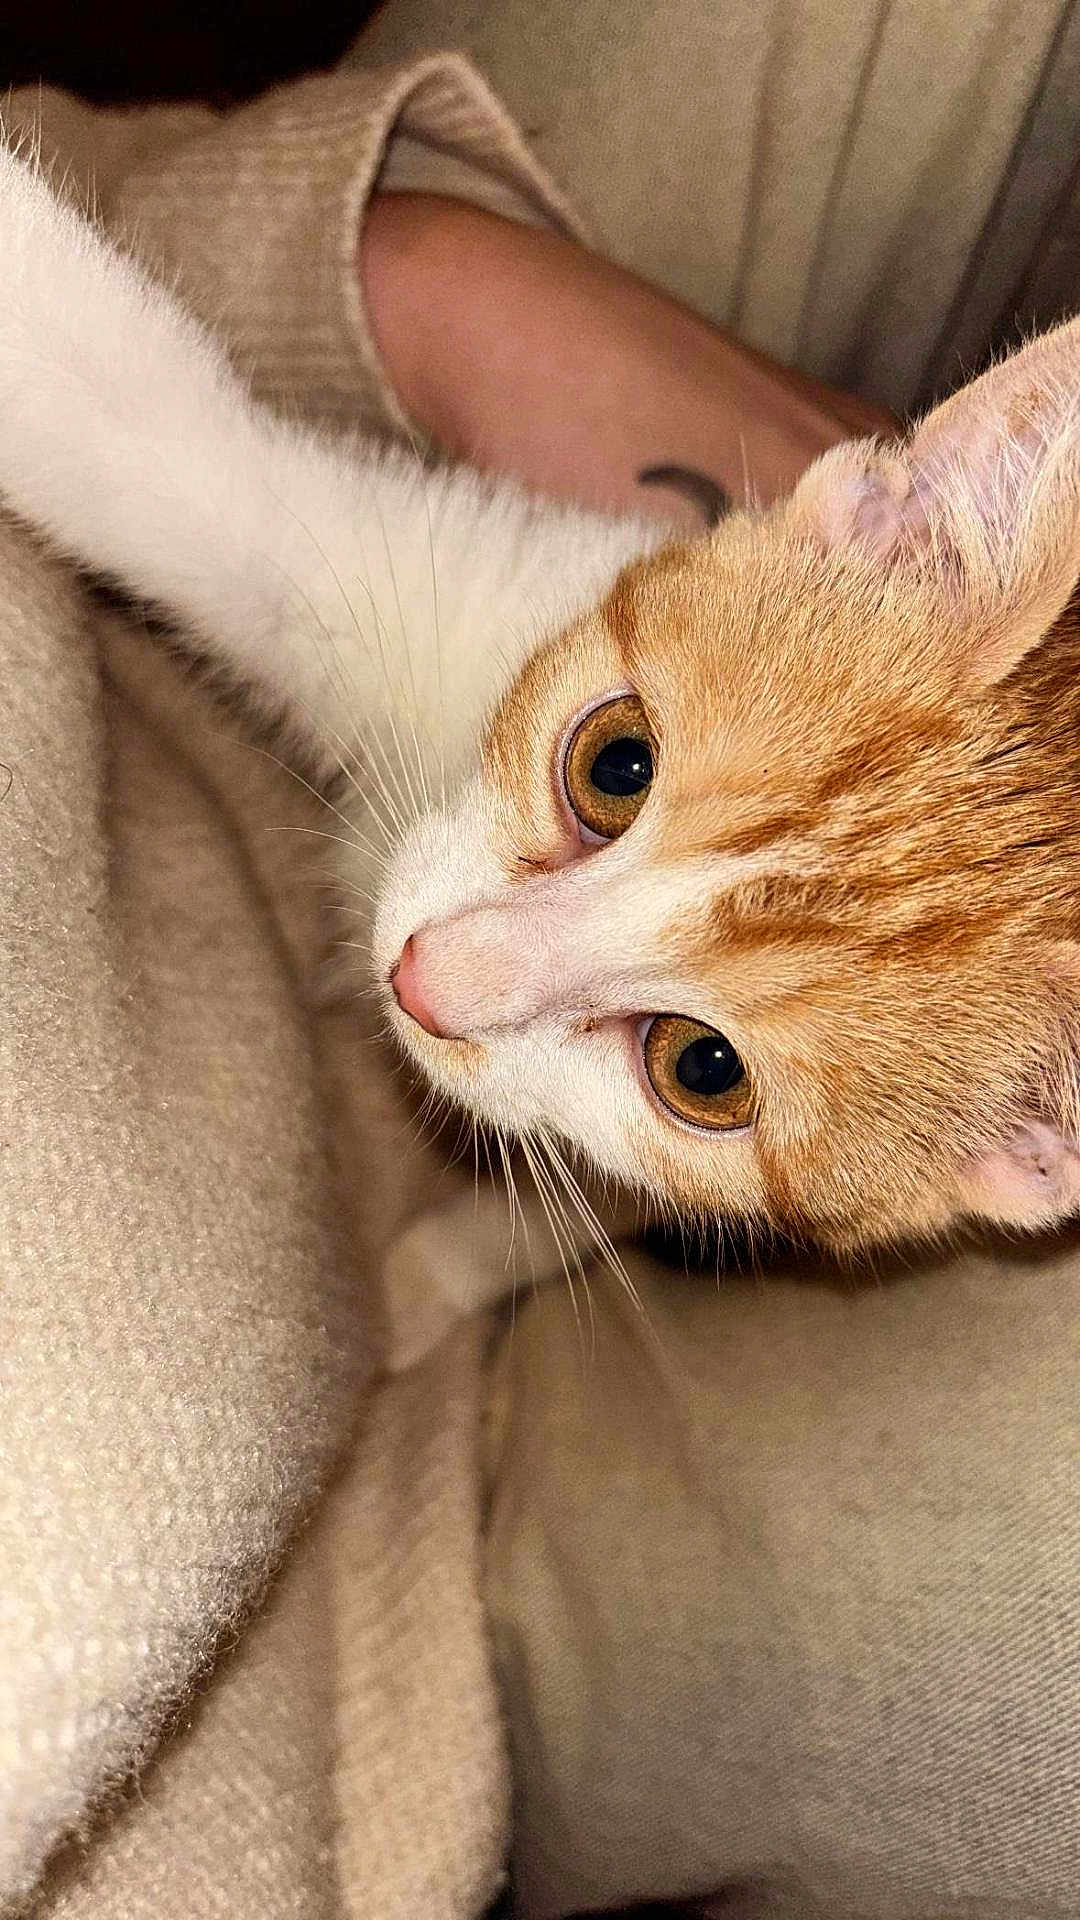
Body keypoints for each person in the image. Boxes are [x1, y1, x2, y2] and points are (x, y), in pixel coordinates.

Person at [3, 15, 1079, 1919]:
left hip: (384, 1559)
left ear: (1014, 1150)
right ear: (855, 514)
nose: (458, 976)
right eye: (616, 772)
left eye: (699, 1069)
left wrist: (426, 281)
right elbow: (194, 480)